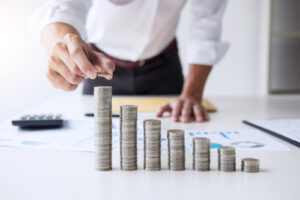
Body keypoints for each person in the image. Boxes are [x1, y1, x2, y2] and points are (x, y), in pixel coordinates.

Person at [32, 0, 228, 123]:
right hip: (98, 64)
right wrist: (62, 45)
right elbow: (62, 7)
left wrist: (192, 93)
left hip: (163, 67)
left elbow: (206, 22)